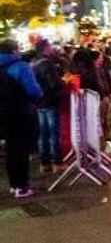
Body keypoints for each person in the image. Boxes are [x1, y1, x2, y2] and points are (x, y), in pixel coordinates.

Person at [1, 40, 42, 198]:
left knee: (11, 150)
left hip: (3, 115)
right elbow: (34, 91)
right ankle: (23, 187)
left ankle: (14, 185)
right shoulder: (21, 67)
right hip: (22, 113)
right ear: (13, 51)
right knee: (22, 151)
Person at [32, 40, 65, 173]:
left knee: (43, 133)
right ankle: (57, 162)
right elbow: (54, 84)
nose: (52, 48)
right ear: (45, 49)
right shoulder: (47, 64)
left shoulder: (34, 64)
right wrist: (62, 82)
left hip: (39, 102)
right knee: (53, 133)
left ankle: (44, 163)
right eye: (50, 46)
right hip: (50, 101)